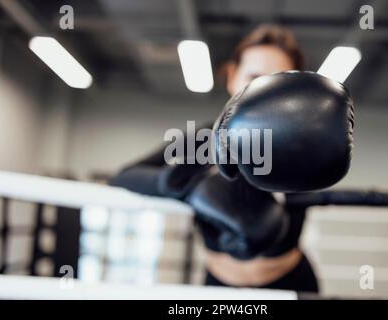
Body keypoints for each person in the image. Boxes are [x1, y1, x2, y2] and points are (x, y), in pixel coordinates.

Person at [110, 25, 354, 292]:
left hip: (290, 284)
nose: (265, 89)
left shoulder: (305, 144)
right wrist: (178, 184)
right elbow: (123, 178)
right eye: (255, 77)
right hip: (219, 287)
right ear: (231, 78)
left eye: (277, 80)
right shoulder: (204, 138)